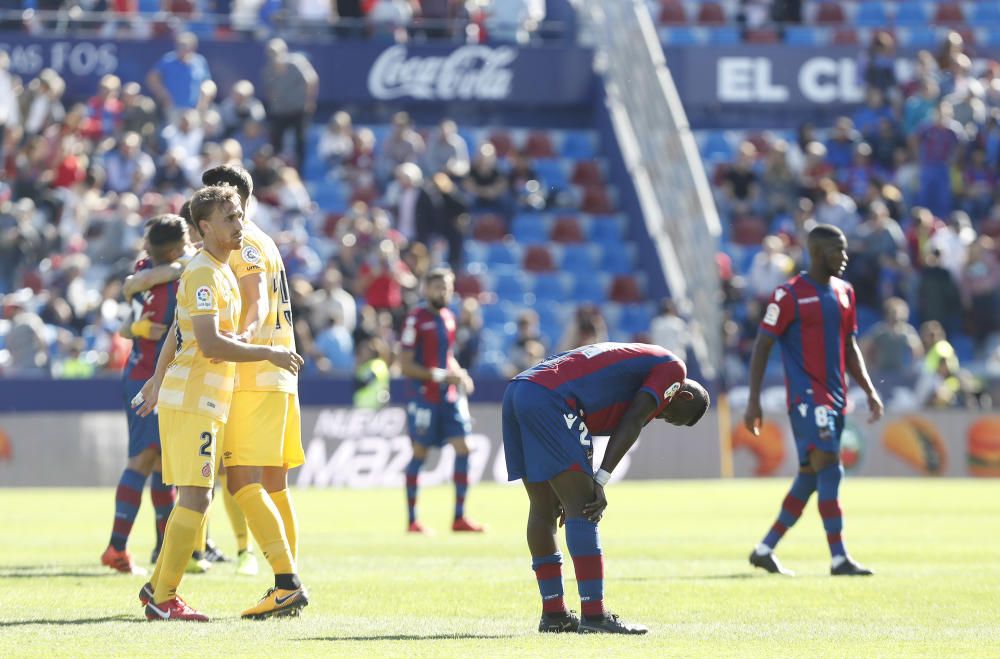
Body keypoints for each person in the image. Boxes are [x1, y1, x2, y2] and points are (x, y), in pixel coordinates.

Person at [132, 185, 305, 622]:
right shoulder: (205, 273)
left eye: (240, 215)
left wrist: (154, 380)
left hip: (206, 399)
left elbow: (179, 328)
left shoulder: (222, 269)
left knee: (198, 497)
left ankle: (158, 589)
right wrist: (268, 351)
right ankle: (163, 597)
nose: (239, 224)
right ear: (204, 227)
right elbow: (208, 343)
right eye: (229, 218)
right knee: (195, 498)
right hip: (193, 399)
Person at [502, 342, 709, 634]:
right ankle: (595, 615)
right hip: (551, 398)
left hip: (521, 389)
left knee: (544, 508)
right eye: (667, 415)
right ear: (682, 394)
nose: (659, 416)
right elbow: (634, 419)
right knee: (585, 506)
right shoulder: (674, 369)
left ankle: (554, 614)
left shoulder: (637, 362)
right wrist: (600, 479)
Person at [745, 224, 884, 577]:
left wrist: (868, 389)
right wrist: (753, 401)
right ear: (819, 253)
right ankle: (839, 558)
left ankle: (765, 549)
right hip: (808, 397)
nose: (845, 257)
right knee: (831, 467)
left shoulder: (845, 292)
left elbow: (849, 345)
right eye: (839, 251)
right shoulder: (788, 294)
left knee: (810, 475)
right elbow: (763, 345)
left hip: (836, 397)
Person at [100, 214, 191, 576]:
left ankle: (160, 548)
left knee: (160, 464)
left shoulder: (144, 272)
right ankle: (116, 548)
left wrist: (136, 323)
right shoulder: (181, 275)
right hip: (152, 377)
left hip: (142, 374)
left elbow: (128, 317)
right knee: (143, 460)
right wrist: (137, 327)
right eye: (185, 243)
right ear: (173, 248)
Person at [398, 268, 483, 534]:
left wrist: (459, 374)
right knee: (420, 455)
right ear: (425, 289)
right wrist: (441, 376)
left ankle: (459, 517)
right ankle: (412, 520)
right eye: (436, 287)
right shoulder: (415, 319)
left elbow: (447, 357)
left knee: (464, 448)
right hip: (424, 398)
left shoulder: (449, 318)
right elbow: (405, 365)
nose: (442, 292)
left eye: (446, 287)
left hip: (448, 397)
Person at [261, 39, 318, 171]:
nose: (273, 55)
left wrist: (310, 102)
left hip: (299, 110)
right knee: (276, 143)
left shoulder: (297, 63)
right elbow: (269, 91)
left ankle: (300, 172)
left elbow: (312, 80)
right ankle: (276, 171)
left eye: (275, 52)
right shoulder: (268, 70)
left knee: (300, 142)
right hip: (280, 111)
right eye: (270, 52)